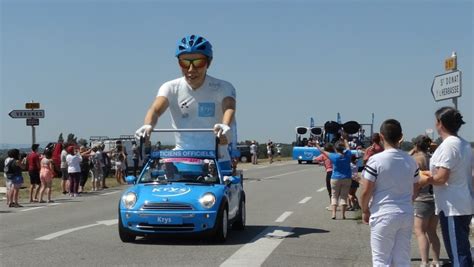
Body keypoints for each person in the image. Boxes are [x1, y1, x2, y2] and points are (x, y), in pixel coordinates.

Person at [135, 35, 236, 172]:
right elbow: (155, 109)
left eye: (198, 62)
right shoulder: (170, 87)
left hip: (217, 157)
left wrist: (225, 125)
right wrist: (148, 125)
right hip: (182, 157)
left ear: (208, 63)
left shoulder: (222, 87)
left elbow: (229, 107)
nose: (191, 69)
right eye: (185, 63)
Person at [360, 119, 419, 266]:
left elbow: (366, 190)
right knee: (402, 259)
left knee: (381, 260)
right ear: (401, 136)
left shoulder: (375, 161)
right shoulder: (411, 161)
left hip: (383, 213)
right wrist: (407, 202)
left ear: (381, 136)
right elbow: (416, 188)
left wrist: (365, 210)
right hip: (405, 213)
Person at [419, 107, 473, 267]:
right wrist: (430, 174)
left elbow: (442, 178)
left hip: (452, 206)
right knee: (462, 249)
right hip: (463, 202)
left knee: (457, 253)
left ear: (439, 123)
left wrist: (425, 180)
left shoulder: (448, 146)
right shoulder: (463, 144)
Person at [410, 135, 440, 267]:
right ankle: (436, 260)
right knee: (432, 231)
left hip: (421, 198)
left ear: (416, 145)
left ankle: (424, 261)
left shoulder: (415, 159)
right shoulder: (433, 158)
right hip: (434, 197)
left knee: (420, 231)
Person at [315, 135, 352, 220]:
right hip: (347, 178)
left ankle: (334, 214)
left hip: (335, 178)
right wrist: (345, 139)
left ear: (336, 148)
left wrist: (316, 145)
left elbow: (322, 151)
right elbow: (348, 147)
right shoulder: (348, 155)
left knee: (334, 196)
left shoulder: (333, 156)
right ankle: (343, 215)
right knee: (344, 196)